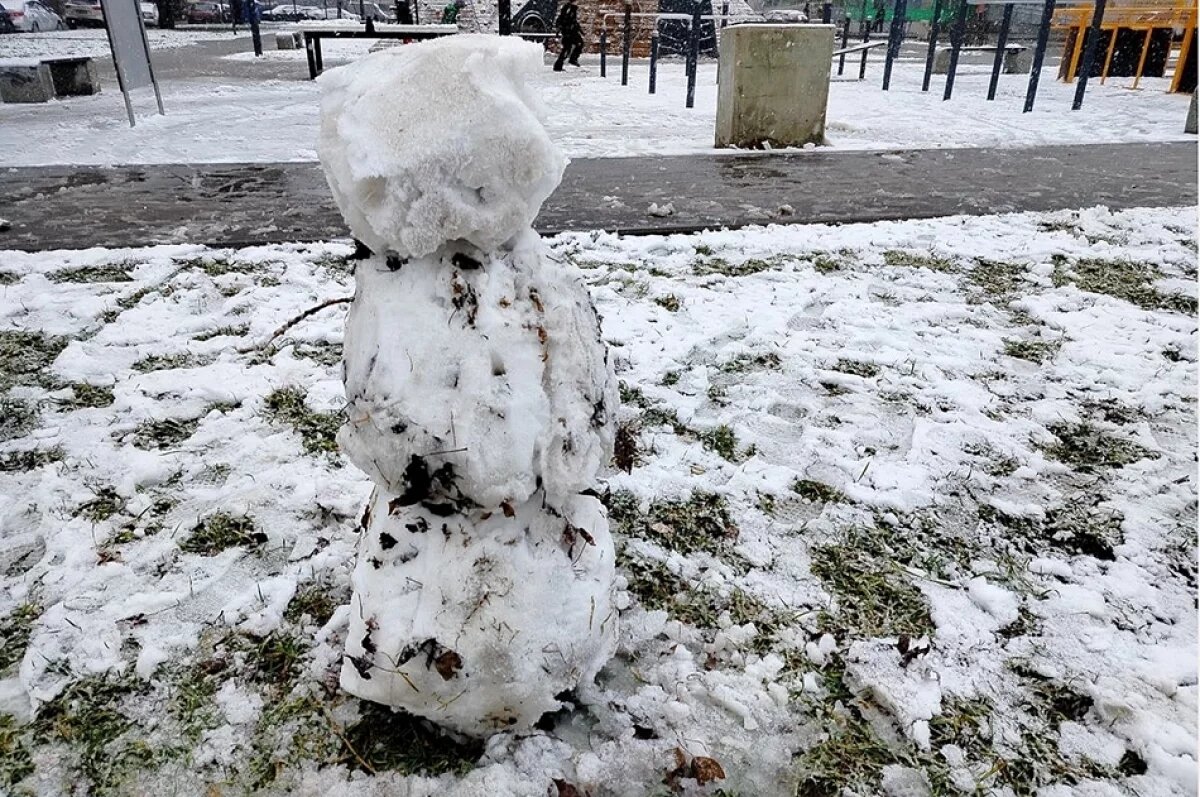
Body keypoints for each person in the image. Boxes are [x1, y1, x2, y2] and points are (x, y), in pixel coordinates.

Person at [553, 0, 583, 71]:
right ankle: (572, 59)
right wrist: (565, 28)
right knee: (577, 44)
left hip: (569, 31)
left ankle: (559, 65)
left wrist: (579, 29)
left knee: (567, 48)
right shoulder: (569, 8)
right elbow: (565, 19)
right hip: (569, 32)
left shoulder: (571, 8)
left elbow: (572, 21)